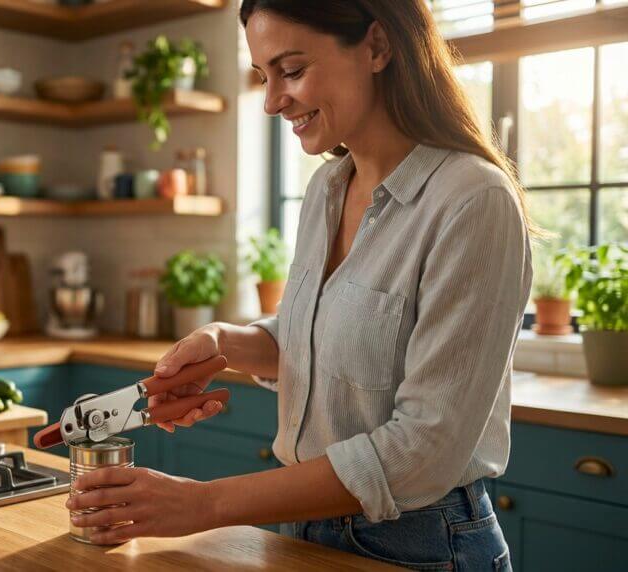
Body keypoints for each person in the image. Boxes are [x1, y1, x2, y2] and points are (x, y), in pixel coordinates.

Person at [65, 1, 533, 569]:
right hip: (304, 534)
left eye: (291, 70)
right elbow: (309, 335)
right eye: (264, 76)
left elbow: (422, 450)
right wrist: (224, 343)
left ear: (378, 48)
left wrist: (202, 503)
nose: (270, 100)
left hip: (424, 545)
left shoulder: (471, 200)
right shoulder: (327, 190)